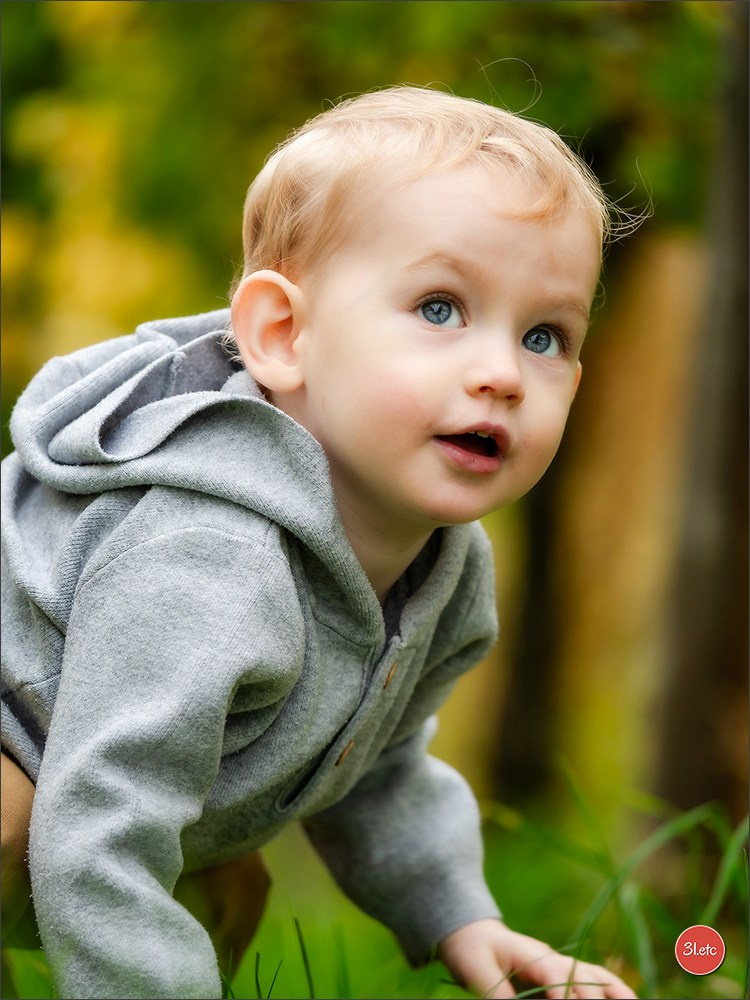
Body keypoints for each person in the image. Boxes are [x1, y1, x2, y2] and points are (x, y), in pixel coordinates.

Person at [1, 85, 637, 1000]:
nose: (500, 373)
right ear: (284, 335)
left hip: (91, 796)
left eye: (544, 334)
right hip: (42, 781)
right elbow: (102, 823)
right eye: (440, 308)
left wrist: (461, 915)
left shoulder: (443, 571)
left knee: (225, 883)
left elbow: (373, 761)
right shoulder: (208, 554)